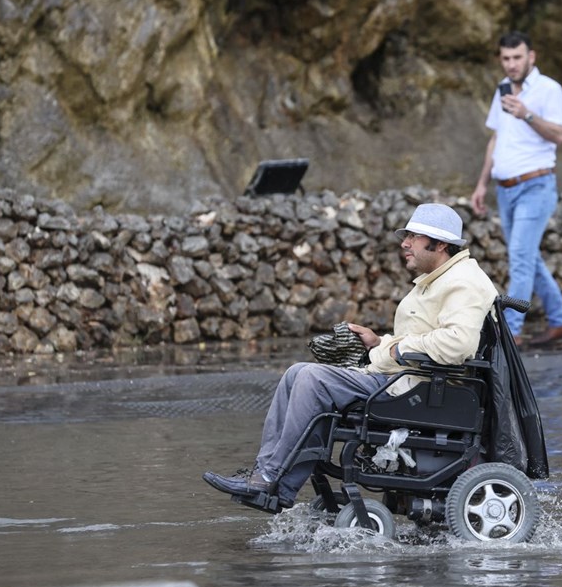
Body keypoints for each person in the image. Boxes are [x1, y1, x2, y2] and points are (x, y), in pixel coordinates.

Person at [202, 203, 499, 508]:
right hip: (408, 379)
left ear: (440, 244)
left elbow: (457, 344)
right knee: (296, 373)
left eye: (413, 237)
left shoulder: (463, 282)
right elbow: (424, 336)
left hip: (423, 390)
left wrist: (395, 350)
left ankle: (271, 477)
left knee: (313, 378)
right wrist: (378, 342)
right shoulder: (439, 279)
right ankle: (267, 477)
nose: (404, 244)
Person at [470, 30, 562, 346]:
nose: (511, 64)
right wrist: (481, 184)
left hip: (536, 185)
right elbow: (496, 138)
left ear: (531, 56)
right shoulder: (502, 89)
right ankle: (561, 320)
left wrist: (527, 114)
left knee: (519, 257)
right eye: (506, 58)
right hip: (505, 190)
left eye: (517, 57)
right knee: (528, 257)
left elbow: (560, 135)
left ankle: (510, 333)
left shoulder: (549, 89)